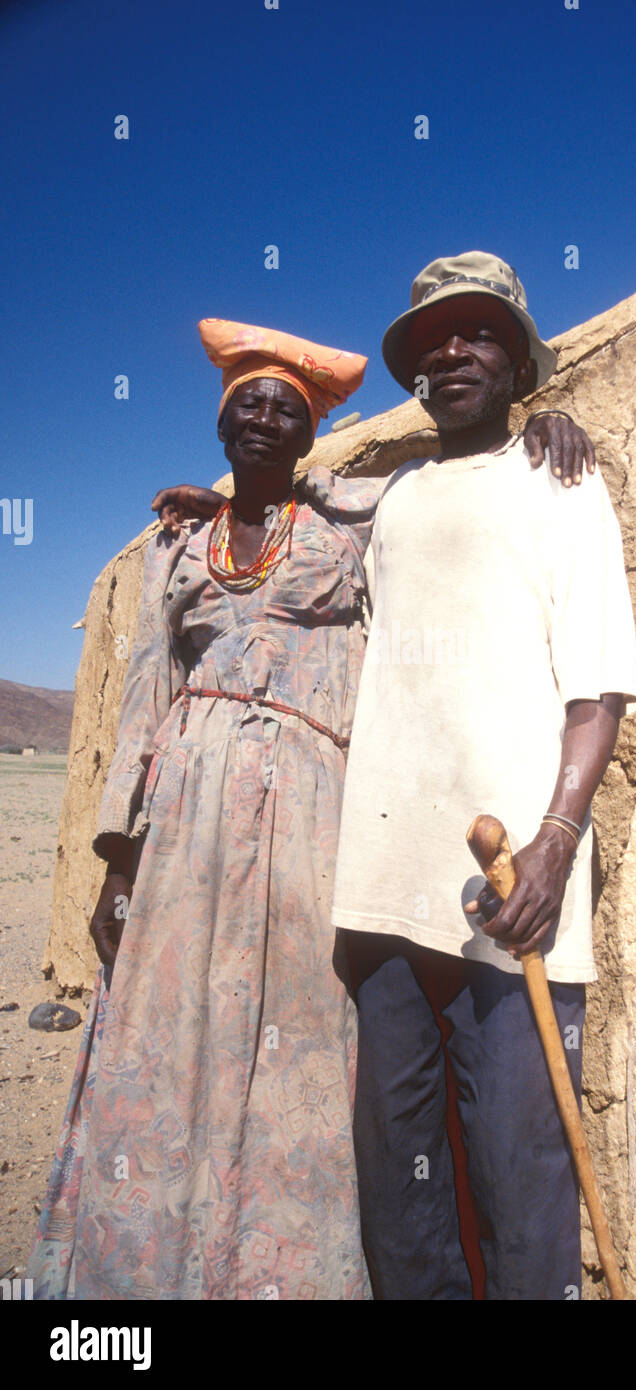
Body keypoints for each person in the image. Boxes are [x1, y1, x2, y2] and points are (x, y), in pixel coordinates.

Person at [29, 318, 379, 1299]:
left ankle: (274, 1269)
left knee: (299, 1023)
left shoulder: (354, 523)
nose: (266, 420)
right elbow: (146, 690)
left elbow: (453, 490)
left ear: (309, 437)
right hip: (182, 819)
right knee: (162, 1024)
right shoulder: (180, 546)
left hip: (307, 812)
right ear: (224, 428)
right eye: (248, 406)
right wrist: (118, 859)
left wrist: (542, 433)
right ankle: (140, 1272)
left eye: (287, 410)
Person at [330, 252, 636, 1300]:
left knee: (519, 1168)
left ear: (516, 363)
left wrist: (556, 837)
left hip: (512, 892)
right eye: (432, 344)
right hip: (383, 888)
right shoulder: (394, 500)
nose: (451, 353)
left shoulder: (564, 480)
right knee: (400, 1180)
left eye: (477, 335)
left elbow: (599, 687)